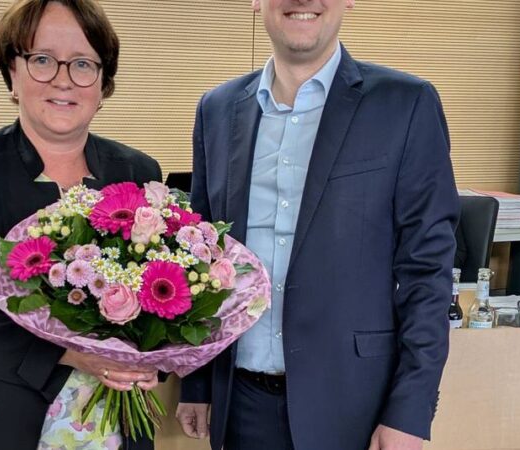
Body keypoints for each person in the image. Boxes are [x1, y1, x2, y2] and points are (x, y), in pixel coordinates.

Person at [176, 1, 459, 449]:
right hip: (241, 405)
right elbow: (201, 259)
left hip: (357, 406)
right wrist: (197, 382)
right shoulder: (218, 109)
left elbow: (427, 272)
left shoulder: (405, 104)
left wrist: (410, 409)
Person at [0, 1, 161, 449]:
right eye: (42, 60)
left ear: (103, 85)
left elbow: (163, 292)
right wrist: (68, 352)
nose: (63, 79)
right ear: (12, 72)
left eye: (83, 64)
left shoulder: (138, 172)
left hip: (110, 425)